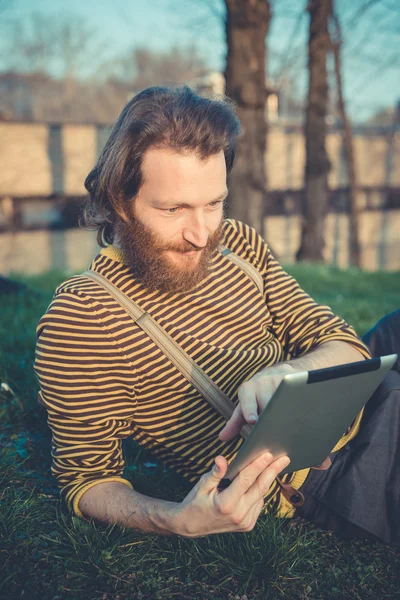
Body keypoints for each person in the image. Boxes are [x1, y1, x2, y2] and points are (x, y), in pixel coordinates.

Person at [34, 86, 372, 539]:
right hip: (332, 472)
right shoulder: (85, 316)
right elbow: (86, 479)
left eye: (213, 203)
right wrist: (177, 520)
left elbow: (346, 344)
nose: (201, 234)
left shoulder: (239, 242)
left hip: (364, 398)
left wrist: (290, 374)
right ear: (118, 200)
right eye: (173, 209)